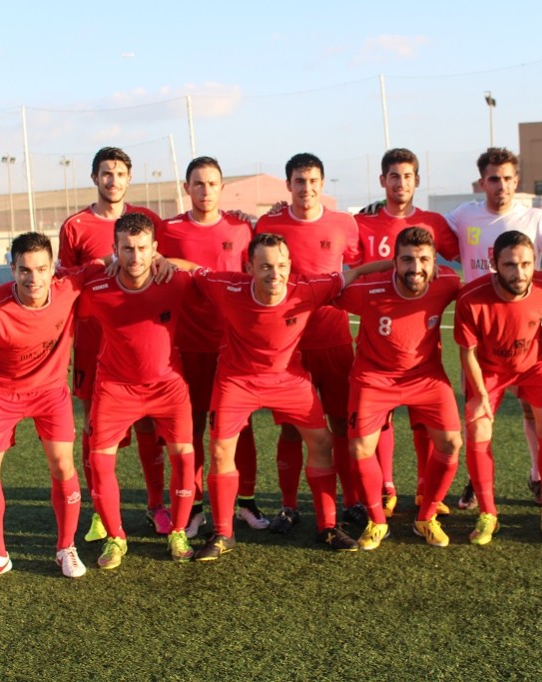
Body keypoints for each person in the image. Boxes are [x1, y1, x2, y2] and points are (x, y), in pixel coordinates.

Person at [180, 233, 391, 561]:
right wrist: (157, 261)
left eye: (281, 265)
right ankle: (223, 533)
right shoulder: (227, 286)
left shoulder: (308, 288)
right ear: (249, 267)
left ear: (290, 265)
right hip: (237, 380)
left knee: (322, 442)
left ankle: (327, 526)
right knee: (220, 449)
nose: (274, 273)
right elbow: (192, 269)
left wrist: (397, 264)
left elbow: (354, 273)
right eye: (265, 266)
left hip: (289, 379)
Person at [445, 147, 542, 510]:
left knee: (533, 413)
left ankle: (537, 476)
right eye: (493, 179)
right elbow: (427, 231)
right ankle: (477, 481)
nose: (500, 185)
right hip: (480, 334)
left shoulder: (535, 218)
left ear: (516, 181)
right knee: (477, 415)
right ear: (481, 182)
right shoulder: (463, 215)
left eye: (507, 178)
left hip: (525, 335)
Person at [0, 232, 98, 586]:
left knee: (63, 464)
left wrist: (155, 261)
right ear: (13, 269)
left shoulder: (69, 286)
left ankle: (66, 547)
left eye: (40, 269)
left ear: (53, 269)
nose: (33, 278)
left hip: (50, 392)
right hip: (1, 393)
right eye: (24, 270)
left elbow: (107, 264)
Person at [57, 147, 168, 543]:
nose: (113, 180)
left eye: (120, 173)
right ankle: (101, 513)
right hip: (93, 343)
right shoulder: (75, 226)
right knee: (95, 429)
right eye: (106, 173)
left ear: (129, 178)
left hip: (141, 341)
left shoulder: (147, 220)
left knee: (150, 423)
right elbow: (67, 285)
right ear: (94, 178)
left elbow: (167, 261)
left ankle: (156, 504)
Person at [253, 153, 365, 534]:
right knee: (290, 427)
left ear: (322, 183)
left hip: (334, 338)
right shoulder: (269, 224)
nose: (307, 188)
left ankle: (352, 500)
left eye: (313, 180)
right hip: (289, 345)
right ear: (288, 185)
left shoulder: (343, 223)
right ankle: (288, 506)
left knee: (340, 423)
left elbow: (355, 268)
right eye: (299, 181)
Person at [78, 213, 197, 565]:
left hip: (168, 387)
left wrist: (170, 261)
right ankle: (116, 538)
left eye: (143, 248)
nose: (135, 256)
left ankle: (178, 530)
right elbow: (62, 286)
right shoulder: (98, 288)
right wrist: (104, 263)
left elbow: (204, 272)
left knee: (185, 457)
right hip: (115, 388)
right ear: (115, 249)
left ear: (154, 248)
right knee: (100, 462)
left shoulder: (172, 280)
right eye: (127, 249)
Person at [338, 227, 463, 550]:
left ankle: (426, 517)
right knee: (359, 448)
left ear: (435, 262)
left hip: (426, 377)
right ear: (394, 262)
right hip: (375, 378)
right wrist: (361, 271)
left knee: (451, 443)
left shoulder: (447, 282)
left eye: (424, 260)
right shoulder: (368, 290)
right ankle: (377, 521)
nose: (416, 268)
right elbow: (331, 288)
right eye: (407, 260)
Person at [353, 148, 461, 520]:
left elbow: (460, 256)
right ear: (383, 181)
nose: (401, 183)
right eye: (394, 176)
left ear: (418, 180)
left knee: (424, 420)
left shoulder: (434, 222)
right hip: (378, 333)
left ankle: (424, 487)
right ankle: (386, 487)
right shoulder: (362, 222)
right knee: (380, 420)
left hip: (420, 339)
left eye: (408, 176)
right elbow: (347, 264)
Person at [157, 156, 262, 536]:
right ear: (187, 188)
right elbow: (151, 260)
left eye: (212, 183)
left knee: (241, 426)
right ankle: (196, 506)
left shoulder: (241, 227)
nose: (205, 190)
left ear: (222, 187)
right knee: (193, 426)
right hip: (186, 343)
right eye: (198, 184)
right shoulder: (169, 229)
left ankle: (246, 501)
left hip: (232, 343)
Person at [453, 231, 542, 546]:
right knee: (478, 429)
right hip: (488, 369)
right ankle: (488, 514)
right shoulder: (470, 298)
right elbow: (467, 352)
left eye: (526, 264)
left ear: (535, 263)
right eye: (509, 265)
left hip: (536, 365)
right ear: (493, 263)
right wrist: (480, 396)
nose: (519, 273)